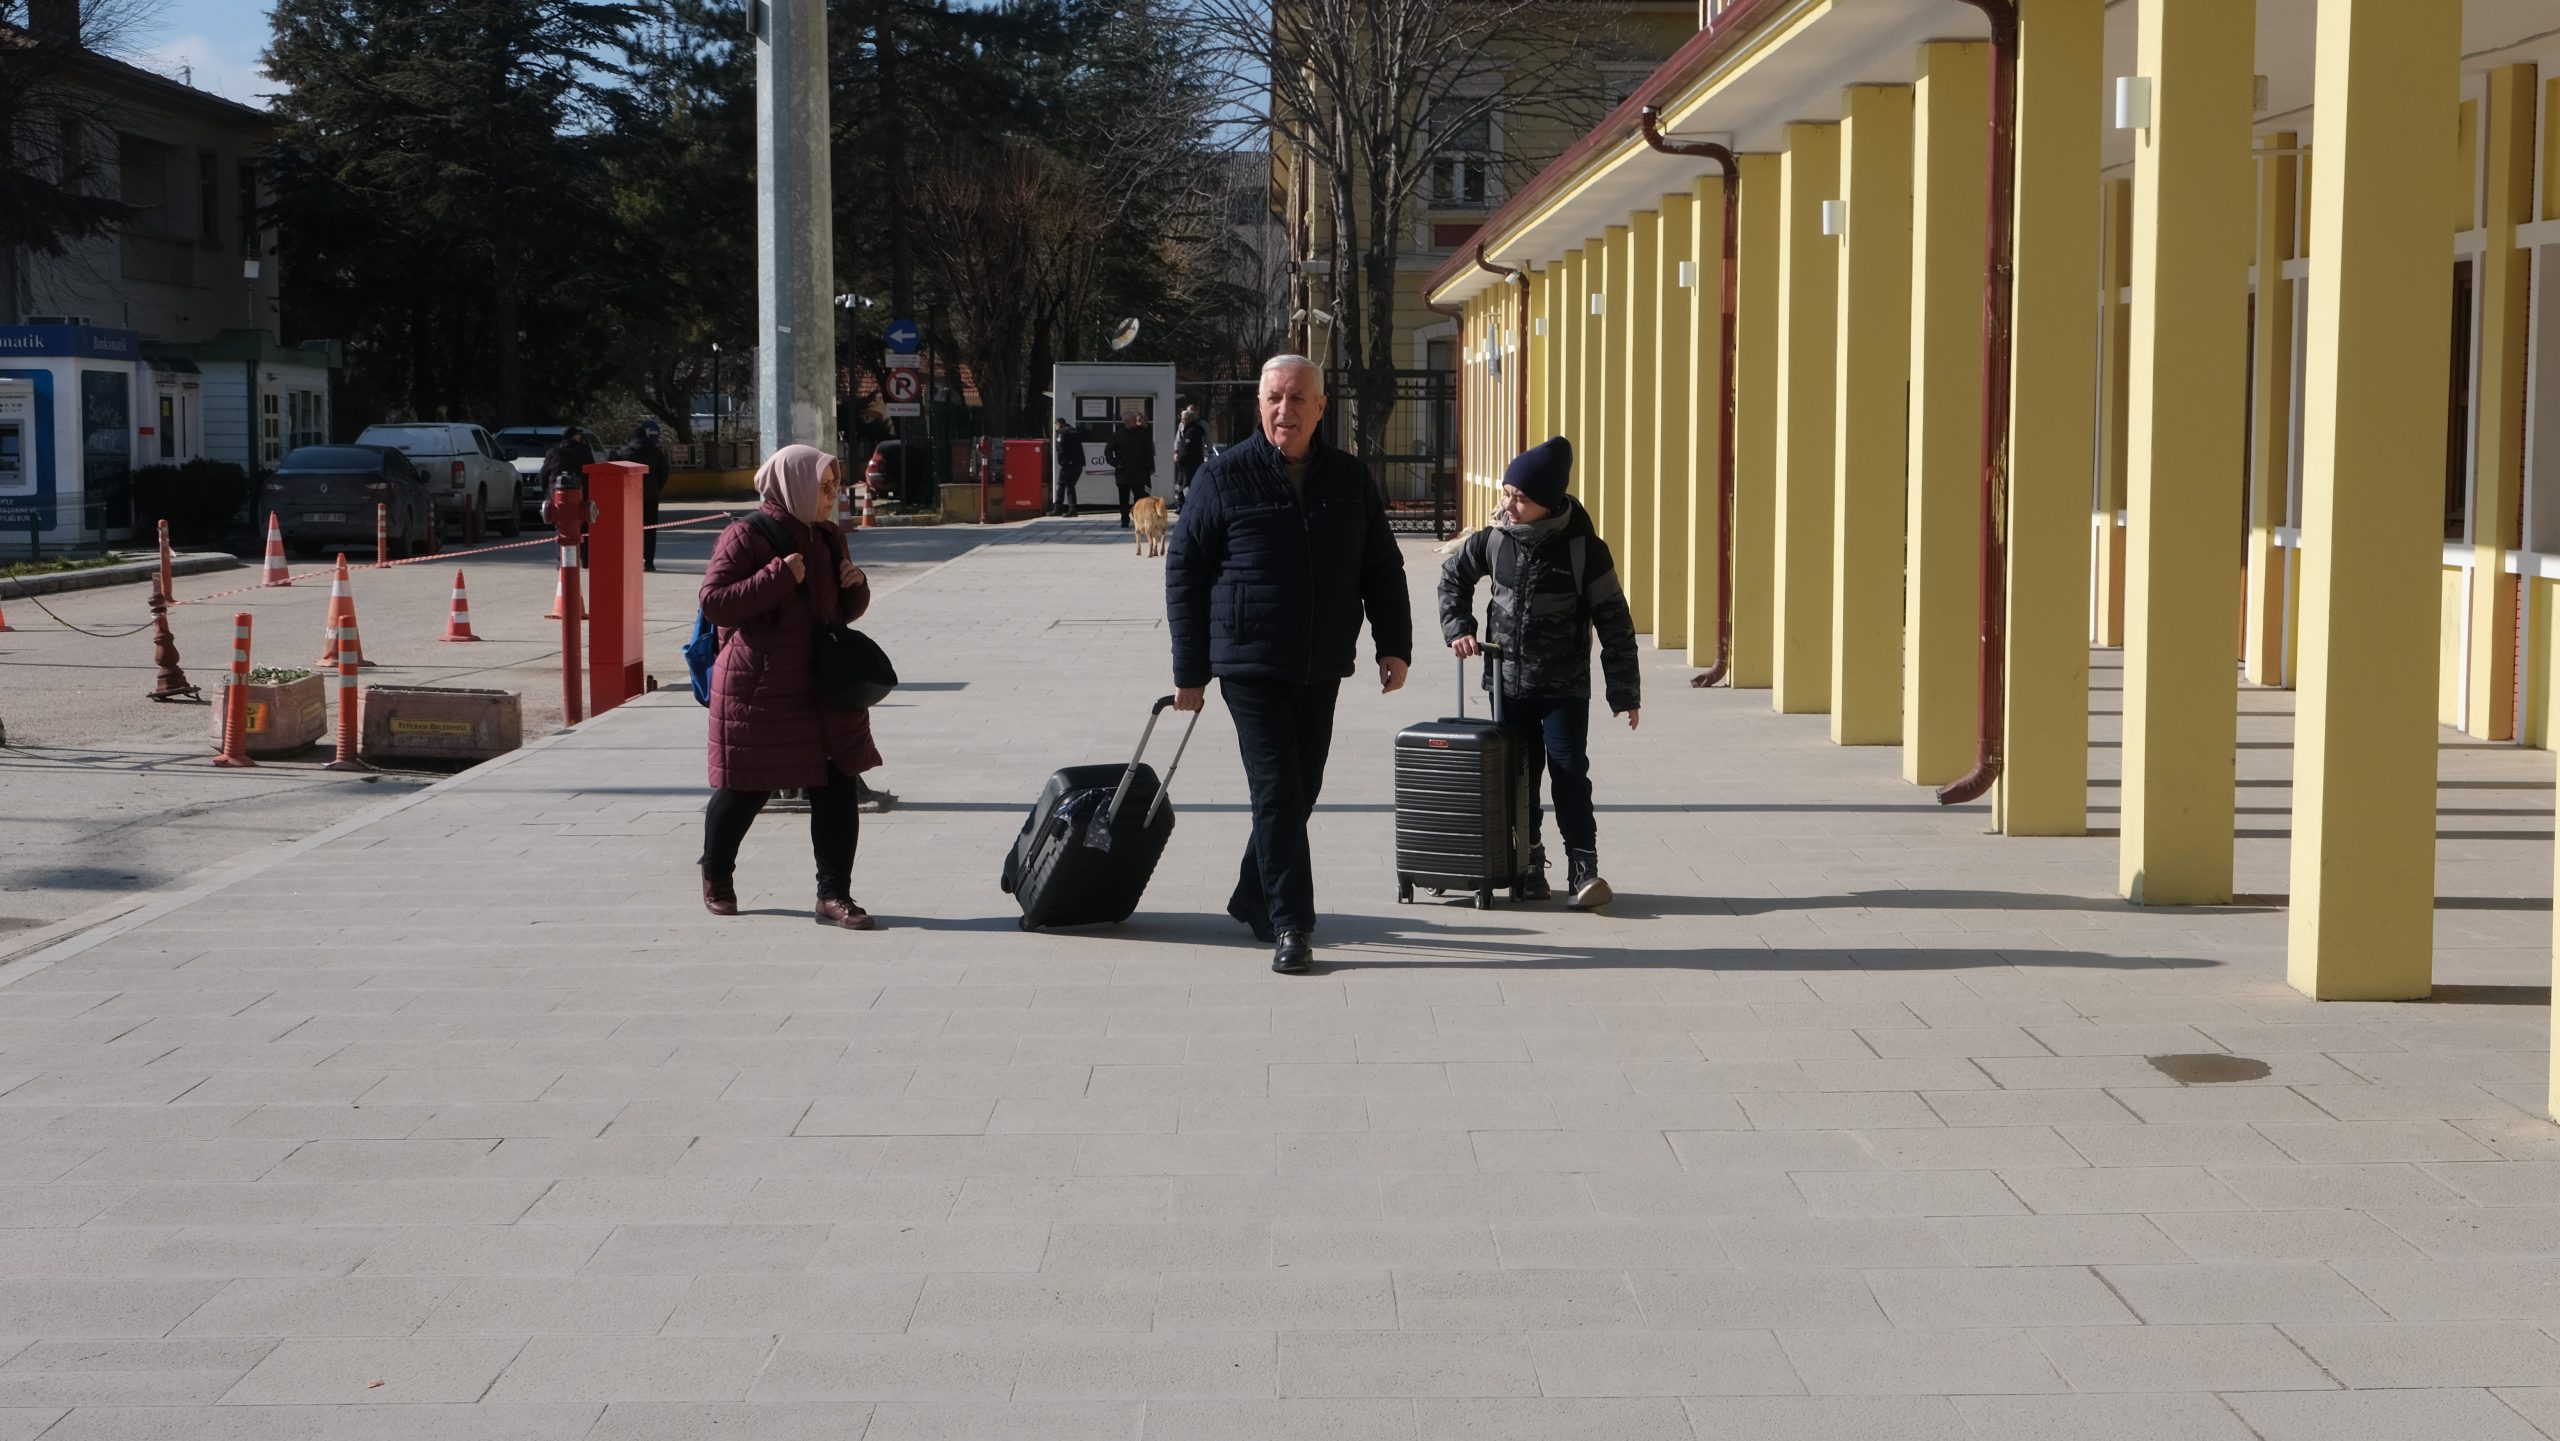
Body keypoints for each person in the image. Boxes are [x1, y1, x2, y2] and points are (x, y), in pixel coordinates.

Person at [1166, 355, 1411, 974]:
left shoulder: (1350, 479)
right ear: (1259, 405)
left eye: (1298, 398)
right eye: (1274, 397)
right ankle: (1291, 924)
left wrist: (1394, 644)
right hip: (1249, 663)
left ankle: (1254, 895)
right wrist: (1190, 671)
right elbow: (1185, 570)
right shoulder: (1221, 478)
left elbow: (1381, 566)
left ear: (1322, 407)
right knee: (1276, 790)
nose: (1285, 409)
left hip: (1321, 661)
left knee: (1303, 788)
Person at [1437, 436, 1639, 910]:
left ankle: (1584, 868)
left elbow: (1615, 621)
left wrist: (1624, 690)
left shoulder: (1585, 551)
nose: (1508, 505)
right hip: (1506, 686)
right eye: (1507, 493)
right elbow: (1452, 579)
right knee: (1517, 776)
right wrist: (1459, 628)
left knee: (1569, 773)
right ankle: (1528, 863)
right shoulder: (1493, 541)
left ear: (1548, 502)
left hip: (1564, 690)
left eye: (1520, 498)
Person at [696, 443, 883, 930]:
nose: (832, 495)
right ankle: (716, 875)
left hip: (824, 687)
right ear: (794, 485)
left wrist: (856, 586)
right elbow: (715, 602)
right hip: (761, 686)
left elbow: (838, 614)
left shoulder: (829, 536)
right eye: (823, 487)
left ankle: (834, 894)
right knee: (746, 788)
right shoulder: (745, 535)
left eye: (834, 485)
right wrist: (777, 575)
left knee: (837, 786)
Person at [613, 420, 672, 570]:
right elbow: (664, 473)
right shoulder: (655, 452)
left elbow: (615, 474)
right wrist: (657, 488)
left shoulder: (624, 452)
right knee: (650, 530)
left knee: (630, 529)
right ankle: (649, 562)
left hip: (629, 497)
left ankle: (631, 561)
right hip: (651, 497)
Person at [1107, 411, 1155, 528]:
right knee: (1123, 499)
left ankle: (1139, 519)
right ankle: (1124, 519)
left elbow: (1149, 452)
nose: (1136, 421)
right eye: (1133, 419)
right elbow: (1107, 453)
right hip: (1123, 473)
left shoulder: (1142, 434)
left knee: (1140, 498)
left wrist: (1151, 467)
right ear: (1126, 422)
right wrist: (1116, 464)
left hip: (1140, 473)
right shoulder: (1118, 435)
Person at [1173, 404, 1208, 507]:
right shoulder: (1183, 427)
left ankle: (1190, 504)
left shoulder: (1196, 429)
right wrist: (1176, 452)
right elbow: (1178, 440)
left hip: (1191, 462)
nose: (1182, 421)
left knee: (1188, 485)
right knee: (1181, 484)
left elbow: (1206, 440)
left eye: (1184, 419)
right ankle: (1181, 504)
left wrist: (1209, 452)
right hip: (1184, 462)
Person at [1053, 417, 1084, 516]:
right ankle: (1072, 509)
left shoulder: (1061, 432)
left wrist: (1061, 462)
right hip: (1078, 465)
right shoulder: (1074, 431)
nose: (1055, 428)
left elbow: (1060, 448)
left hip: (1067, 465)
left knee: (1060, 485)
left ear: (1058, 424)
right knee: (1070, 486)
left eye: (1055, 425)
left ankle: (1058, 508)